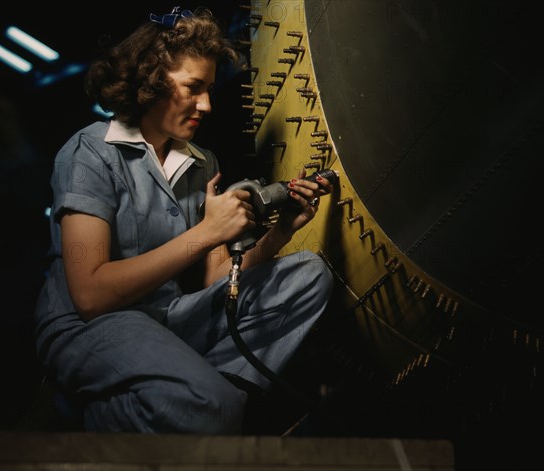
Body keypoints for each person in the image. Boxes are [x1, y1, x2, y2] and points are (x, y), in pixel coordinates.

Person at [33, 6, 334, 434]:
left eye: (209, 89)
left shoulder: (200, 163)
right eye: (194, 88)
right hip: (92, 327)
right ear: (151, 80)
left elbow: (217, 281)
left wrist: (281, 231)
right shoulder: (91, 152)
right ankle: (94, 418)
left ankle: (215, 402)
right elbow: (90, 295)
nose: (207, 104)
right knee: (210, 407)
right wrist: (208, 232)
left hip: (169, 319)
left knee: (309, 274)